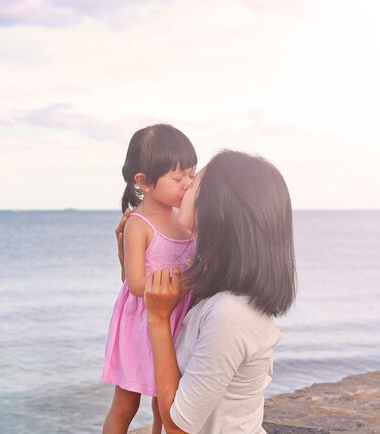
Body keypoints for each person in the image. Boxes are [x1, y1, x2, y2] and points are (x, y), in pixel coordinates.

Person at [118, 150, 296, 433]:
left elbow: (178, 427)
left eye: (195, 181)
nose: (185, 186)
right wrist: (129, 255)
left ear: (215, 205)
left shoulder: (231, 313)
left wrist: (158, 319)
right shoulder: (209, 291)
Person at [102, 124, 198, 434]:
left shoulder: (188, 219)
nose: (187, 185)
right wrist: (180, 283)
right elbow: (134, 283)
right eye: (177, 177)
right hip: (141, 324)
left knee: (165, 401)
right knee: (126, 403)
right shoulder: (138, 224)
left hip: (176, 320)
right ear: (143, 181)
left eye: (191, 176)